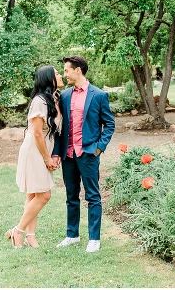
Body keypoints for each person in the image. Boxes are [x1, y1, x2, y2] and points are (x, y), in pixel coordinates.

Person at [51, 55, 115, 253]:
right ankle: (72, 235)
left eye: (67, 70)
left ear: (78, 70)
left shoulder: (98, 95)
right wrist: (57, 152)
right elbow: (60, 127)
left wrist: (98, 147)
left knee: (93, 196)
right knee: (71, 196)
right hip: (68, 154)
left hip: (88, 154)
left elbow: (109, 124)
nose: (64, 74)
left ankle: (94, 238)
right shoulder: (65, 96)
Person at [4, 65, 63, 248]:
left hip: (46, 150)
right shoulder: (39, 101)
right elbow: (37, 133)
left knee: (33, 195)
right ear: (48, 79)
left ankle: (30, 235)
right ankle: (18, 231)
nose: (61, 75)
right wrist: (47, 158)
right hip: (35, 151)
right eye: (57, 73)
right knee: (44, 195)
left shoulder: (56, 98)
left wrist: (55, 155)